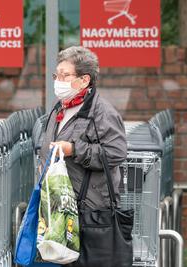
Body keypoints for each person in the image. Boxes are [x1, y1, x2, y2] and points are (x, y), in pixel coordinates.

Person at [39, 45, 127, 209]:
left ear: (84, 80)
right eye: (56, 75)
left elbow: (116, 153)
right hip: (58, 203)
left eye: (65, 76)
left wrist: (73, 149)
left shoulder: (102, 112)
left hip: (89, 209)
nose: (58, 81)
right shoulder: (60, 106)